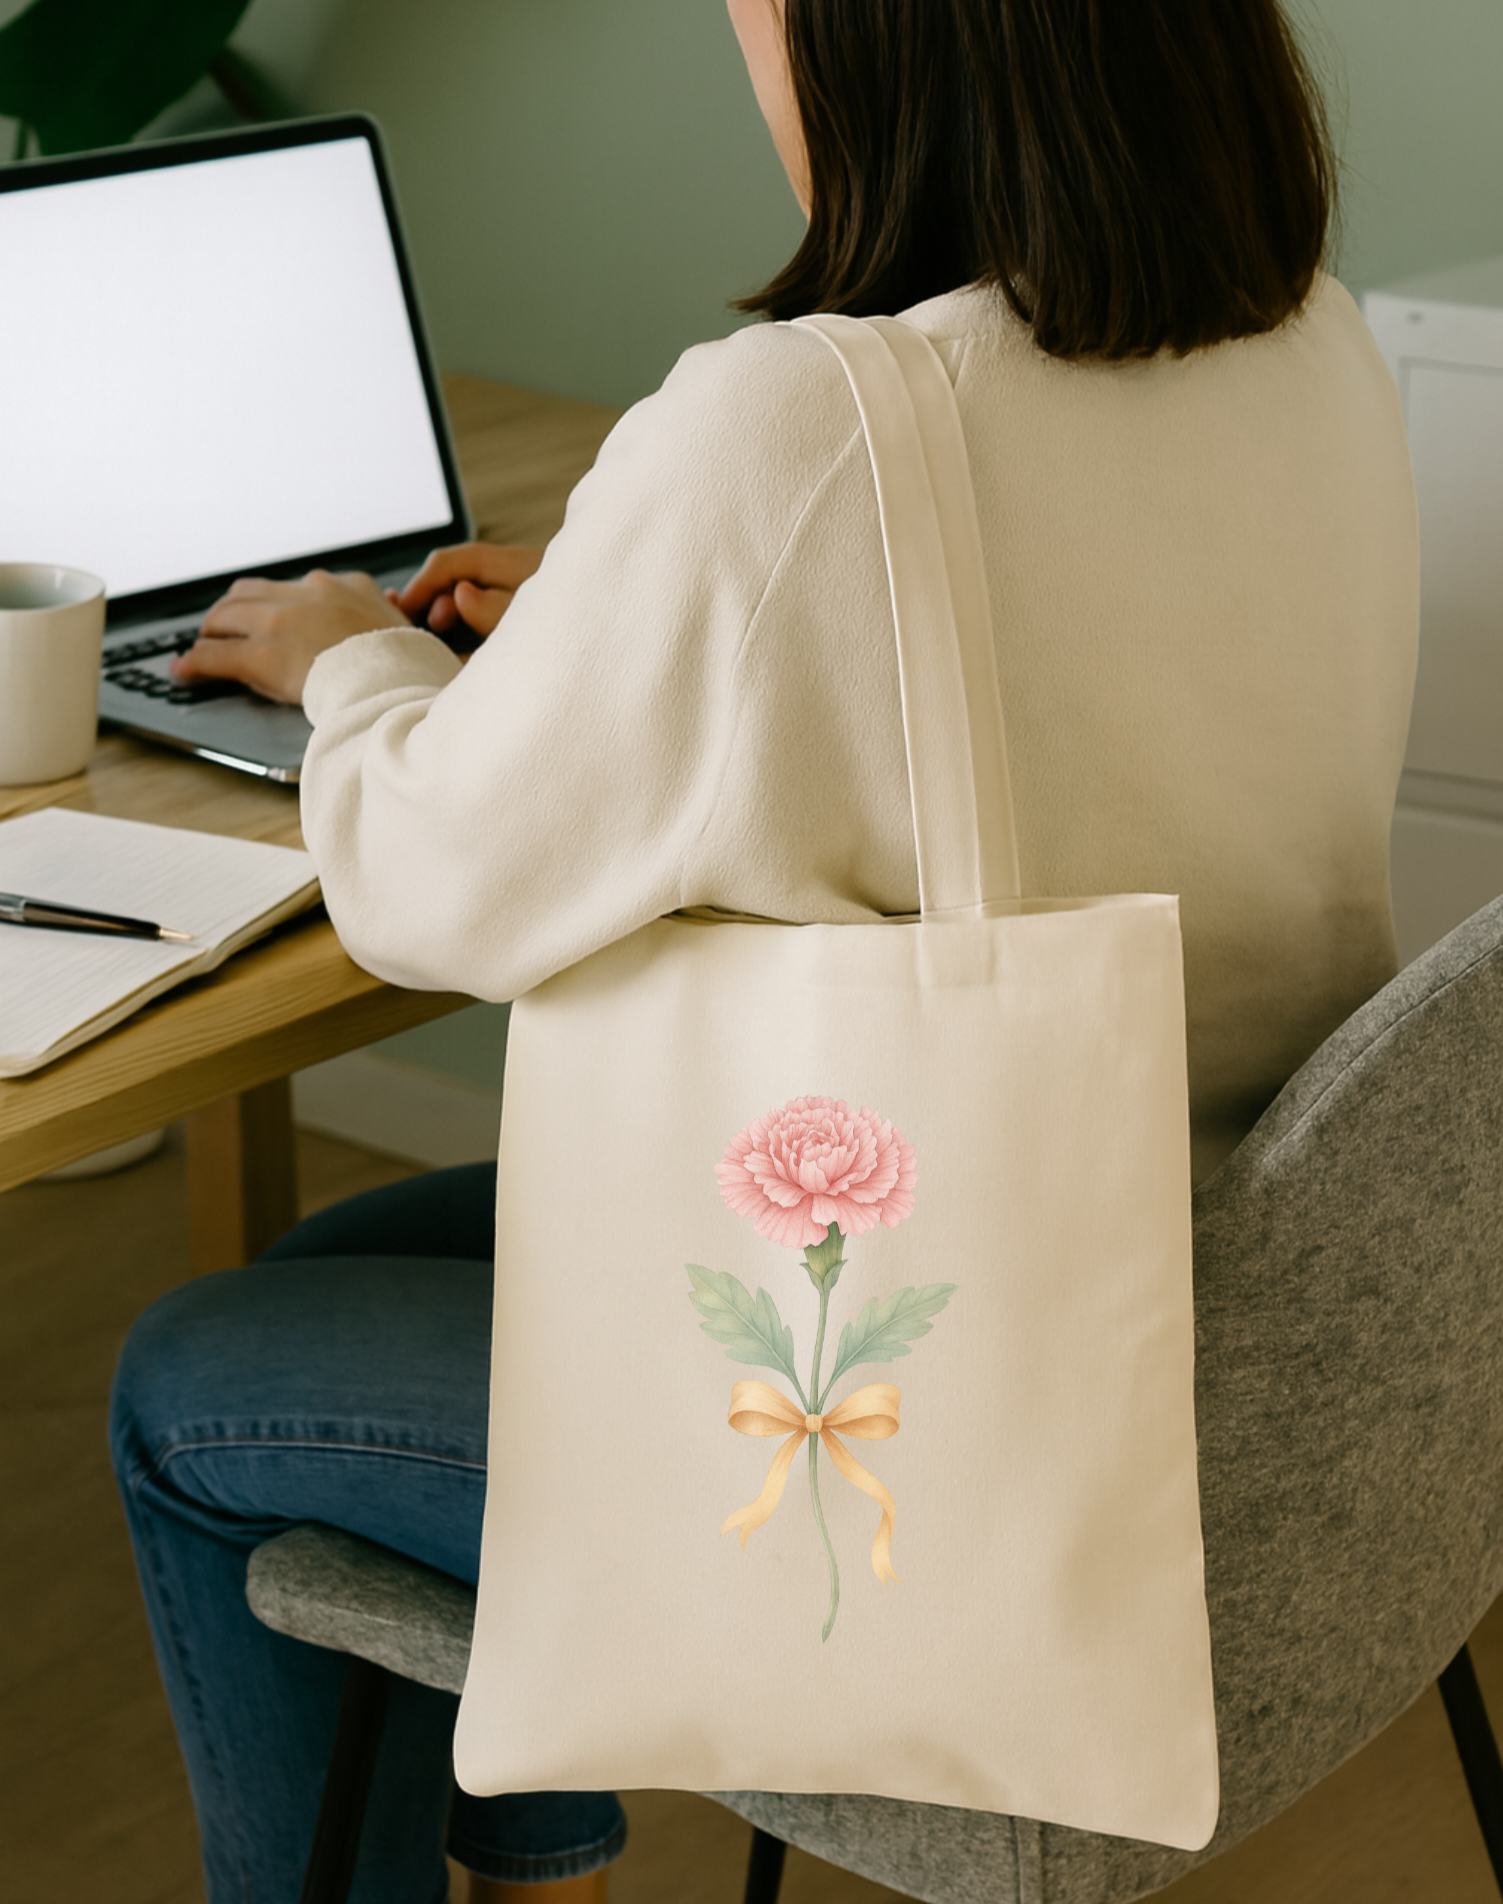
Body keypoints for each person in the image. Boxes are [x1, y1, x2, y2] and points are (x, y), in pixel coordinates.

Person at [109, 1, 1418, 1900]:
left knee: (192, 1375)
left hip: (990, 1426)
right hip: (1261, 1317)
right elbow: (1035, 666)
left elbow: (424, 881)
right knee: (350, 1261)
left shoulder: (800, 424)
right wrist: (630, 615)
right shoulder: (1310, 339)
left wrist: (359, 663)